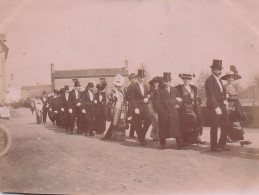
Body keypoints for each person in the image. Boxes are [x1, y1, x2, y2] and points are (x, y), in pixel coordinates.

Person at [221, 65, 252, 146]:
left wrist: (239, 107)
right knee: (230, 123)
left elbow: (236, 98)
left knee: (236, 122)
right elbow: (223, 98)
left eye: (232, 78)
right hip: (228, 107)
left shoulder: (234, 87)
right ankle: (228, 139)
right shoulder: (224, 87)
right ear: (226, 79)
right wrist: (226, 100)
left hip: (235, 106)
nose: (231, 79)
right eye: (229, 78)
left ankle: (240, 139)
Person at [153, 72, 185, 149]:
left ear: (170, 82)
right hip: (164, 113)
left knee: (176, 128)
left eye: (167, 81)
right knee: (163, 128)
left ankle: (179, 143)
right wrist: (162, 112)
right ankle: (163, 143)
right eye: (164, 81)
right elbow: (156, 104)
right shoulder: (158, 91)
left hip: (174, 112)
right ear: (162, 82)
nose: (165, 83)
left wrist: (178, 104)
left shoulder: (175, 90)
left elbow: (179, 99)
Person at [205, 59, 230, 152]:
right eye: (218, 69)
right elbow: (210, 95)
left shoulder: (219, 80)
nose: (220, 71)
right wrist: (216, 107)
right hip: (213, 106)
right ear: (213, 70)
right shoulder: (209, 81)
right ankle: (214, 147)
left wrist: (225, 99)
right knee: (214, 126)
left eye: (220, 69)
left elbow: (223, 92)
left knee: (226, 123)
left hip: (222, 104)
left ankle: (222, 143)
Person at [176, 73, 205, 145]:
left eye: (188, 79)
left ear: (190, 80)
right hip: (183, 107)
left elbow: (197, 98)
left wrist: (195, 99)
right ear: (182, 79)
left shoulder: (194, 88)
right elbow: (177, 98)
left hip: (193, 107)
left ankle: (197, 137)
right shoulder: (178, 88)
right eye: (185, 79)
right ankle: (184, 139)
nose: (186, 80)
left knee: (197, 120)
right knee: (184, 123)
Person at [130, 69, 151, 145]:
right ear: (137, 78)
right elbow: (131, 98)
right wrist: (135, 108)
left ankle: (141, 136)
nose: (141, 79)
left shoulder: (145, 86)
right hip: (137, 107)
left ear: (144, 78)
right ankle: (141, 140)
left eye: (143, 77)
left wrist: (147, 99)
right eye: (140, 77)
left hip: (145, 106)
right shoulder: (133, 86)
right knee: (138, 123)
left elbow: (147, 95)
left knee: (148, 120)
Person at [103, 74, 127, 141]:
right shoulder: (113, 91)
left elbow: (124, 100)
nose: (119, 87)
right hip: (115, 108)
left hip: (122, 108)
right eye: (118, 86)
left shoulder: (122, 91)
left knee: (121, 122)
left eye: (120, 86)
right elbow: (110, 100)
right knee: (115, 122)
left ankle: (121, 137)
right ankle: (114, 136)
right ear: (115, 85)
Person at [148, 76, 162, 142]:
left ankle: (157, 135)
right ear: (152, 83)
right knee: (155, 120)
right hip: (152, 107)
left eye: (157, 82)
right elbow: (148, 98)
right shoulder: (150, 90)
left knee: (159, 121)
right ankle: (154, 135)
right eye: (154, 82)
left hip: (159, 106)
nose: (156, 83)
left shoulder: (161, 90)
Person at [125, 73, 138, 138]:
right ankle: (131, 134)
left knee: (136, 119)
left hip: (138, 104)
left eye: (135, 78)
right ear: (130, 80)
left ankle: (132, 134)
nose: (135, 80)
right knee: (133, 119)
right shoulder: (128, 88)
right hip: (131, 105)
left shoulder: (138, 86)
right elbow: (126, 97)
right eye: (133, 79)